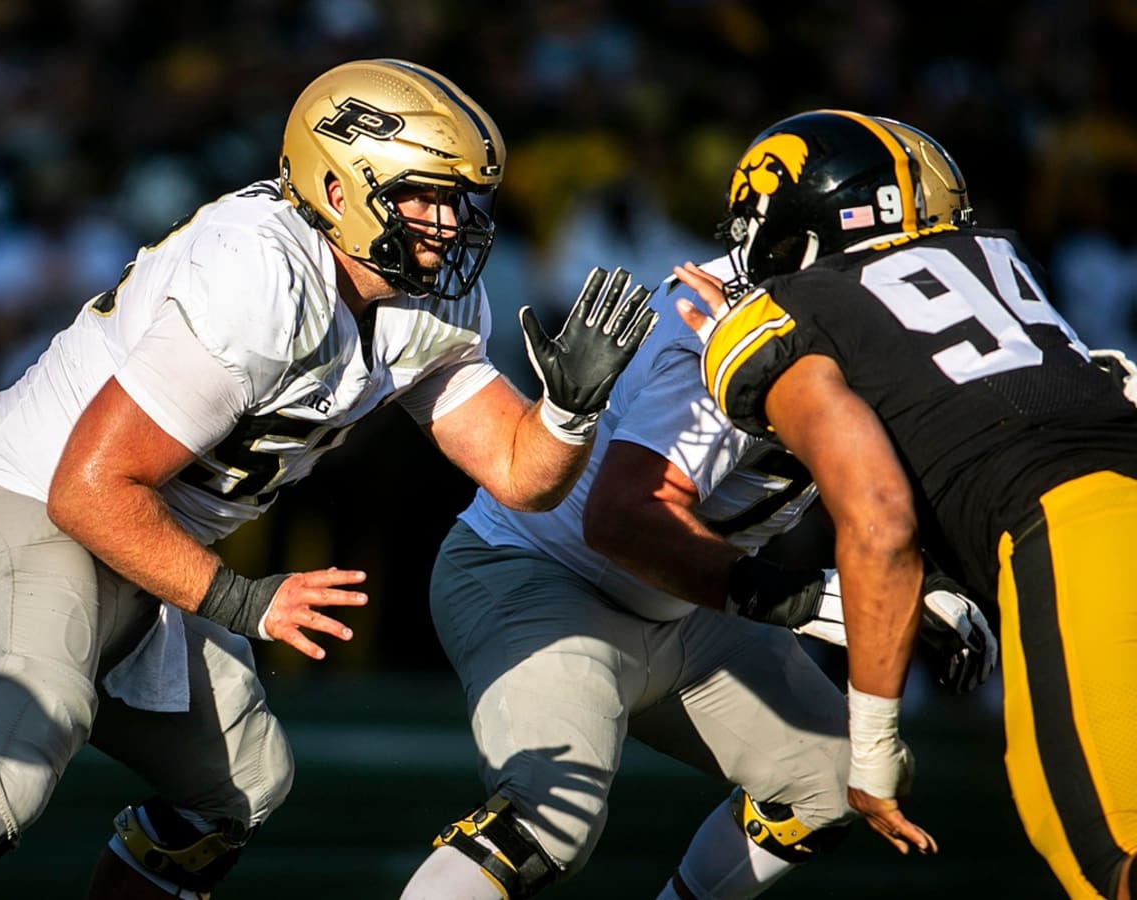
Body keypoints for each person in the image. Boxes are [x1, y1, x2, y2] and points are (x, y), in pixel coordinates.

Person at [0, 58, 657, 897]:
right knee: (1, 776)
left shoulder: (425, 295)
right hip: (25, 502)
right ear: (341, 189)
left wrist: (567, 413)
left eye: (456, 197)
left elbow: (516, 472)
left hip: (137, 540)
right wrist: (248, 602)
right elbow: (88, 488)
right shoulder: (260, 274)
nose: (446, 221)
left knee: (237, 786)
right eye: (421, 195)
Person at [398, 126, 997, 899]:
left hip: (682, 605)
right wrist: (816, 603)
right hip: (544, 578)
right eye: (903, 246)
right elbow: (621, 519)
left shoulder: (836, 322)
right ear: (810, 246)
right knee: (551, 820)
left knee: (826, 782)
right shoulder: (717, 330)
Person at [677, 109, 1137, 899]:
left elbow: (880, 520)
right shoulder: (997, 261)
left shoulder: (780, 318)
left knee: (1109, 862)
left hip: (1075, 535)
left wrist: (871, 748)